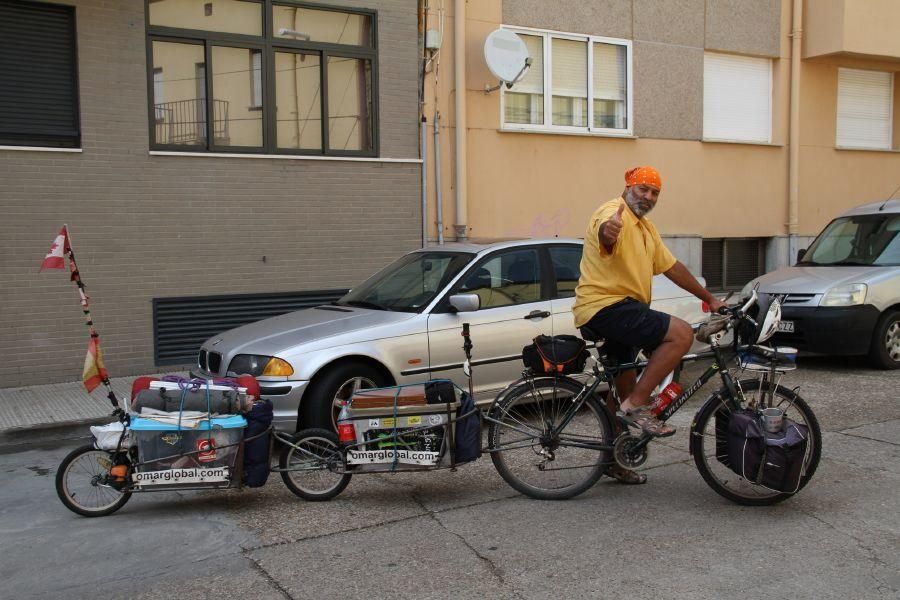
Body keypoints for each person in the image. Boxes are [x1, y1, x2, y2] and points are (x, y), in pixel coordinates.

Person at [573, 166, 726, 484]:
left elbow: (672, 268)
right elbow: (605, 231)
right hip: (608, 308)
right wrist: (607, 232)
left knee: (622, 387)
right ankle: (639, 405)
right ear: (628, 187)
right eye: (643, 189)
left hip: (619, 311)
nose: (649, 196)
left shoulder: (646, 228)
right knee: (681, 335)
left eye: (655, 192)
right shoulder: (612, 213)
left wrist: (710, 299)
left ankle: (614, 458)